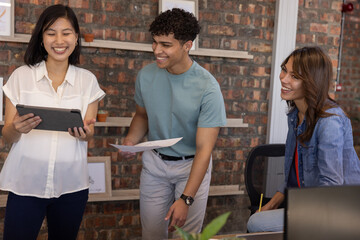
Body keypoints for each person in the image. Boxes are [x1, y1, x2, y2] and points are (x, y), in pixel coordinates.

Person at [0, 4, 105, 240]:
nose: (59, 40)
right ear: (41, 38)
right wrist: (16, 128)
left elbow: (89, 133)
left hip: (71, 185)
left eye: (66, 33)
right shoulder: (21, 77)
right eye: (51, 33)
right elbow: (7, 136)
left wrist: (86, 133)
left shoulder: (87, 81)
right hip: (25, 183)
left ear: (76, 38)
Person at [121, 8, 226, 240]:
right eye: (155, 42)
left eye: (166, 45)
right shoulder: (146, 76)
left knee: (185, 237)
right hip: (155, 165)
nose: (157, 50)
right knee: (151, 234)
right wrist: (131, 140)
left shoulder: (208, 87)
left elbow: (204, 149)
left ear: (187, 45)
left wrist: (186, 198)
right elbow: (142, 115)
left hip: (191, 167)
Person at [247, 46, 360, 232]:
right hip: (311, 203)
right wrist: (271, 205)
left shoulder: (330, 121)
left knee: (256, 223)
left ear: (312, 81)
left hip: (338, 208)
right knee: (259, 217)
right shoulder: (296, 115)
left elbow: (331, 187)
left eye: (295, 76)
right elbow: (293, 172)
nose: (284, 78)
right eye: (285, 70)